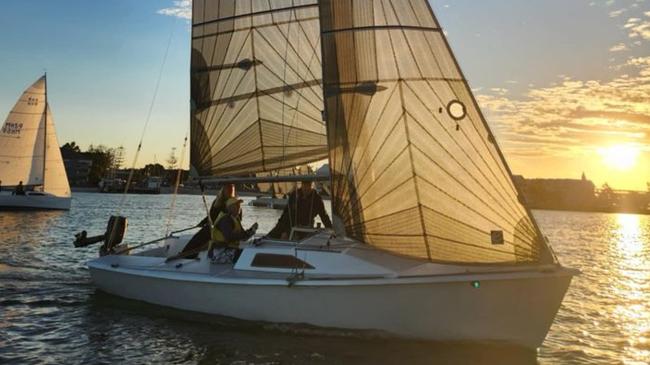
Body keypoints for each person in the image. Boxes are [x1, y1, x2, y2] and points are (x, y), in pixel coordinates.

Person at [180, 184, 237, 258]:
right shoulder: (217, 202)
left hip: (221, 230)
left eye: (231, 190)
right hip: (214, 228)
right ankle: (187, 254)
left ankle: (187, 255)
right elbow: (211, 216)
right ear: (223, 190)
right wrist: (202, 222)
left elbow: (235, 218)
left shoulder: (234, 204)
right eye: (228, 190)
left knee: (202, 236)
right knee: (198, 238)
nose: (229, 192)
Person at [267, 180, 332, 240]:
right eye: (304, 186)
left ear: (311, 186)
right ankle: (267, 238)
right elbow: (286, 213)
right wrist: (285, 231)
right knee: (274, 234)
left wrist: (330, 229)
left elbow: (324, 216)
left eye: (307, 186)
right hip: (290, 225)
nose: (305, 188)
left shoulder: (316, 199)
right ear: (301, 185)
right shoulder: (294, 195)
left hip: (306, 228)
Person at [209, 198, 258, 264]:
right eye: (236, 205)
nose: (239, 207)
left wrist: (251, 230)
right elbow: (229, 237)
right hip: (219, 252)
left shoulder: (235, 218)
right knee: (250, 256)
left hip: (230, 249)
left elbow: (243, 237)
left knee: (251, 254)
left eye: (239, 205)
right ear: (229, 208)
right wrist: (246, 234)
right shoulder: (226, 220)